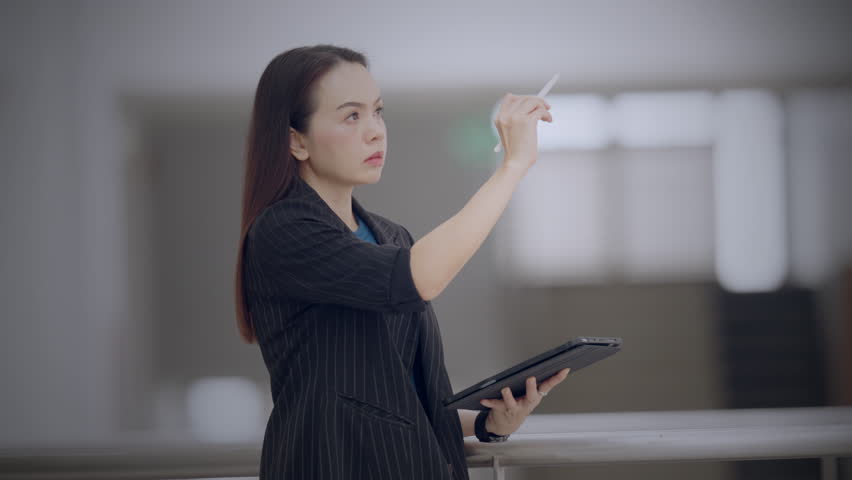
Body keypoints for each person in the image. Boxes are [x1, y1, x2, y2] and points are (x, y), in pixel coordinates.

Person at [233, 44, 570, 480]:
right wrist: (513, 167)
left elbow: (406, 403)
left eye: (378, 111)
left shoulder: (391, 238)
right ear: (296, 140)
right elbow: (415, 280)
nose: (375, 131)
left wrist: (488, 422)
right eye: (352, 116)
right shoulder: (284, 230)